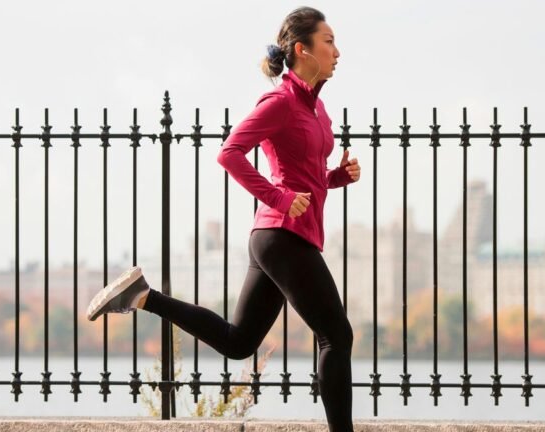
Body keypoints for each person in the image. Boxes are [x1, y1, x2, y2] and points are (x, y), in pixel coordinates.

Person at [86, 6, 360, 431]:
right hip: (281, 234)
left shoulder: (317, 110)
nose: (338, 51)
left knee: (238, 342)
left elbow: (304, 176)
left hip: (286, 235)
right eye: (329, 42)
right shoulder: (280, 102)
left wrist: (336, 177)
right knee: (336, 335)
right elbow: (229, 153)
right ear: (303, 50)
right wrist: (279, 197)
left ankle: (143, 296)